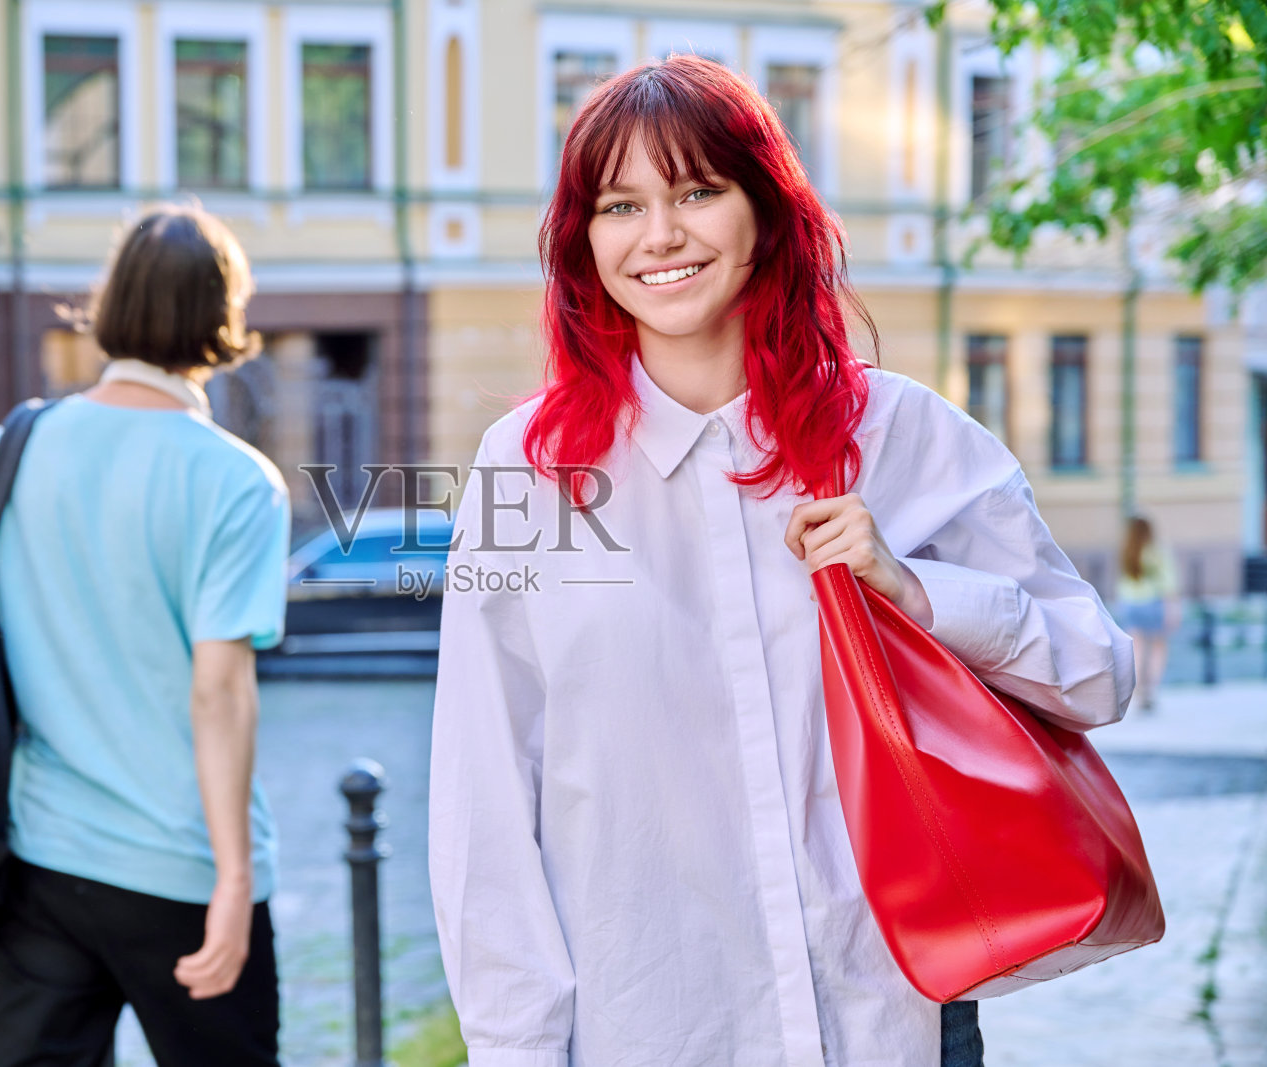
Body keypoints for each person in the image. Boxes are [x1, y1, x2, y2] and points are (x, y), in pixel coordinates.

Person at [427, 55, 1134, 1067]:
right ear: (583, 242)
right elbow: (483, 796)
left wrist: (913, 588)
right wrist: (515, 1049)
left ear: (766, 211)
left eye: (696, 191)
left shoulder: (901, 436)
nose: (659, 234)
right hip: (654, 1025)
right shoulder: (529, 469)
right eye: (619, 204)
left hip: (893, 1018)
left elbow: (1100, 673)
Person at [0, 203, 289, 1067]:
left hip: (43, 856)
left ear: (110, 307)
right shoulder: (237, 481)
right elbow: (219, 691)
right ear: (225, 317)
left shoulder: (18, 443)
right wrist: (235, 880)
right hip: (180, 865)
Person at [1117, 515, 1180, 712]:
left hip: (1129, 603)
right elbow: (1169, 583)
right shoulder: (1156, 550)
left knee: (1137, 648)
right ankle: (1150, 690)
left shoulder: (1127, 551)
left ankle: (1137, 690)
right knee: (1158, 648)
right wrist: (1173, 608)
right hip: (1152, 602)